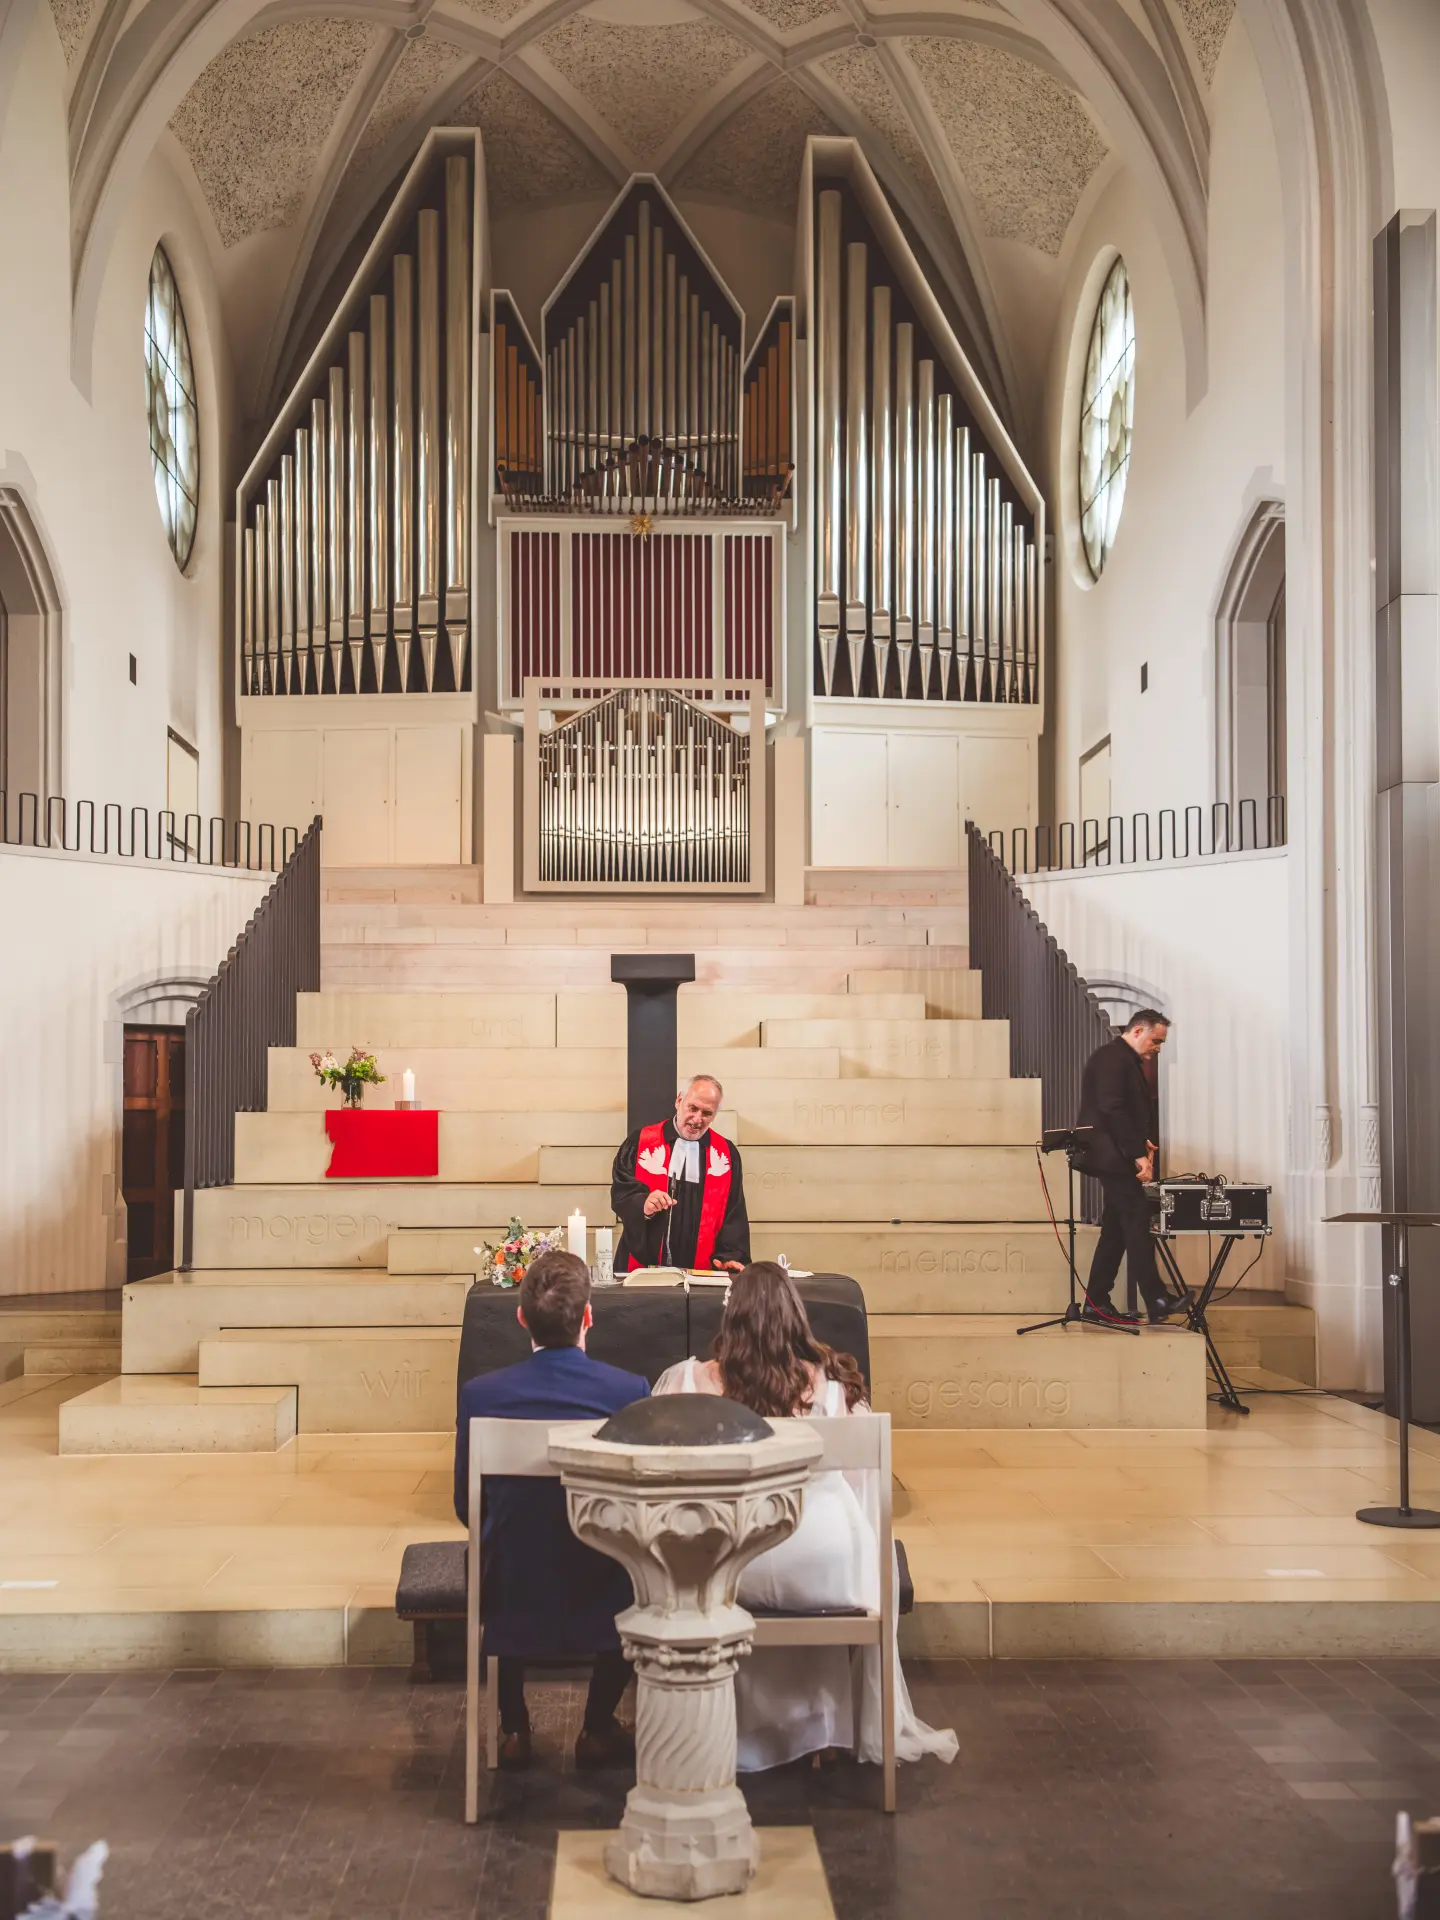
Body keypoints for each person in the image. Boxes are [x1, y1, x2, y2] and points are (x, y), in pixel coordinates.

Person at [654, 1262, 957, 1775]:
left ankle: (723, 1726)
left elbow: (665, 1485)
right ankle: (826, 1727)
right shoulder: (833, 1386)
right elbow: (864, 1488)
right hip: (822, 1564)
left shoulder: (686, 1381)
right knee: (837, 1537)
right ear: (795, 1316)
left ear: (731, 1319)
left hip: (731, 1567)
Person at [453, 1249, 649, 1770]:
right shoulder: (628, 1392)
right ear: (588, 1316)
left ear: (521, 1318)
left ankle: (514, 1725)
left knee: (504, 1546)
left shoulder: (481, 1395)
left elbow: (465, 1507)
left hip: (513, 1588)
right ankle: (598, 1722)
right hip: (604, 1587)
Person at [1075, 1007, 1189, 1326]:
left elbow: (1122, 1109)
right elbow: (1112, 1108)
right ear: (1138, 1031)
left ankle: (1095, 1302)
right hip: (1111, 1157)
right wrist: (1138, 1153)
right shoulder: (1113, 1057)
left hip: (1115, 1154)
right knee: (1137, 1218)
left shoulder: (1121, 1058)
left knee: (1115, 1230)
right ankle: (1156, 1299)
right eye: (1156, 1041)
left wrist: (1142, 1142)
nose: (1158, 1048)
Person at [611, 1073, 750, 1273]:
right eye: (692, 1108)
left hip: (703, 1272)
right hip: (643, 1267)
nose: (697, 1119)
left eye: (707, 1113)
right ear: (679, 1101)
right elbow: (621, 1192)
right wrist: (644, 1203)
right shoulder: (640, 1142)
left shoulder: (726, 1155)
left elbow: (734, 1214)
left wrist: (730, 1257)